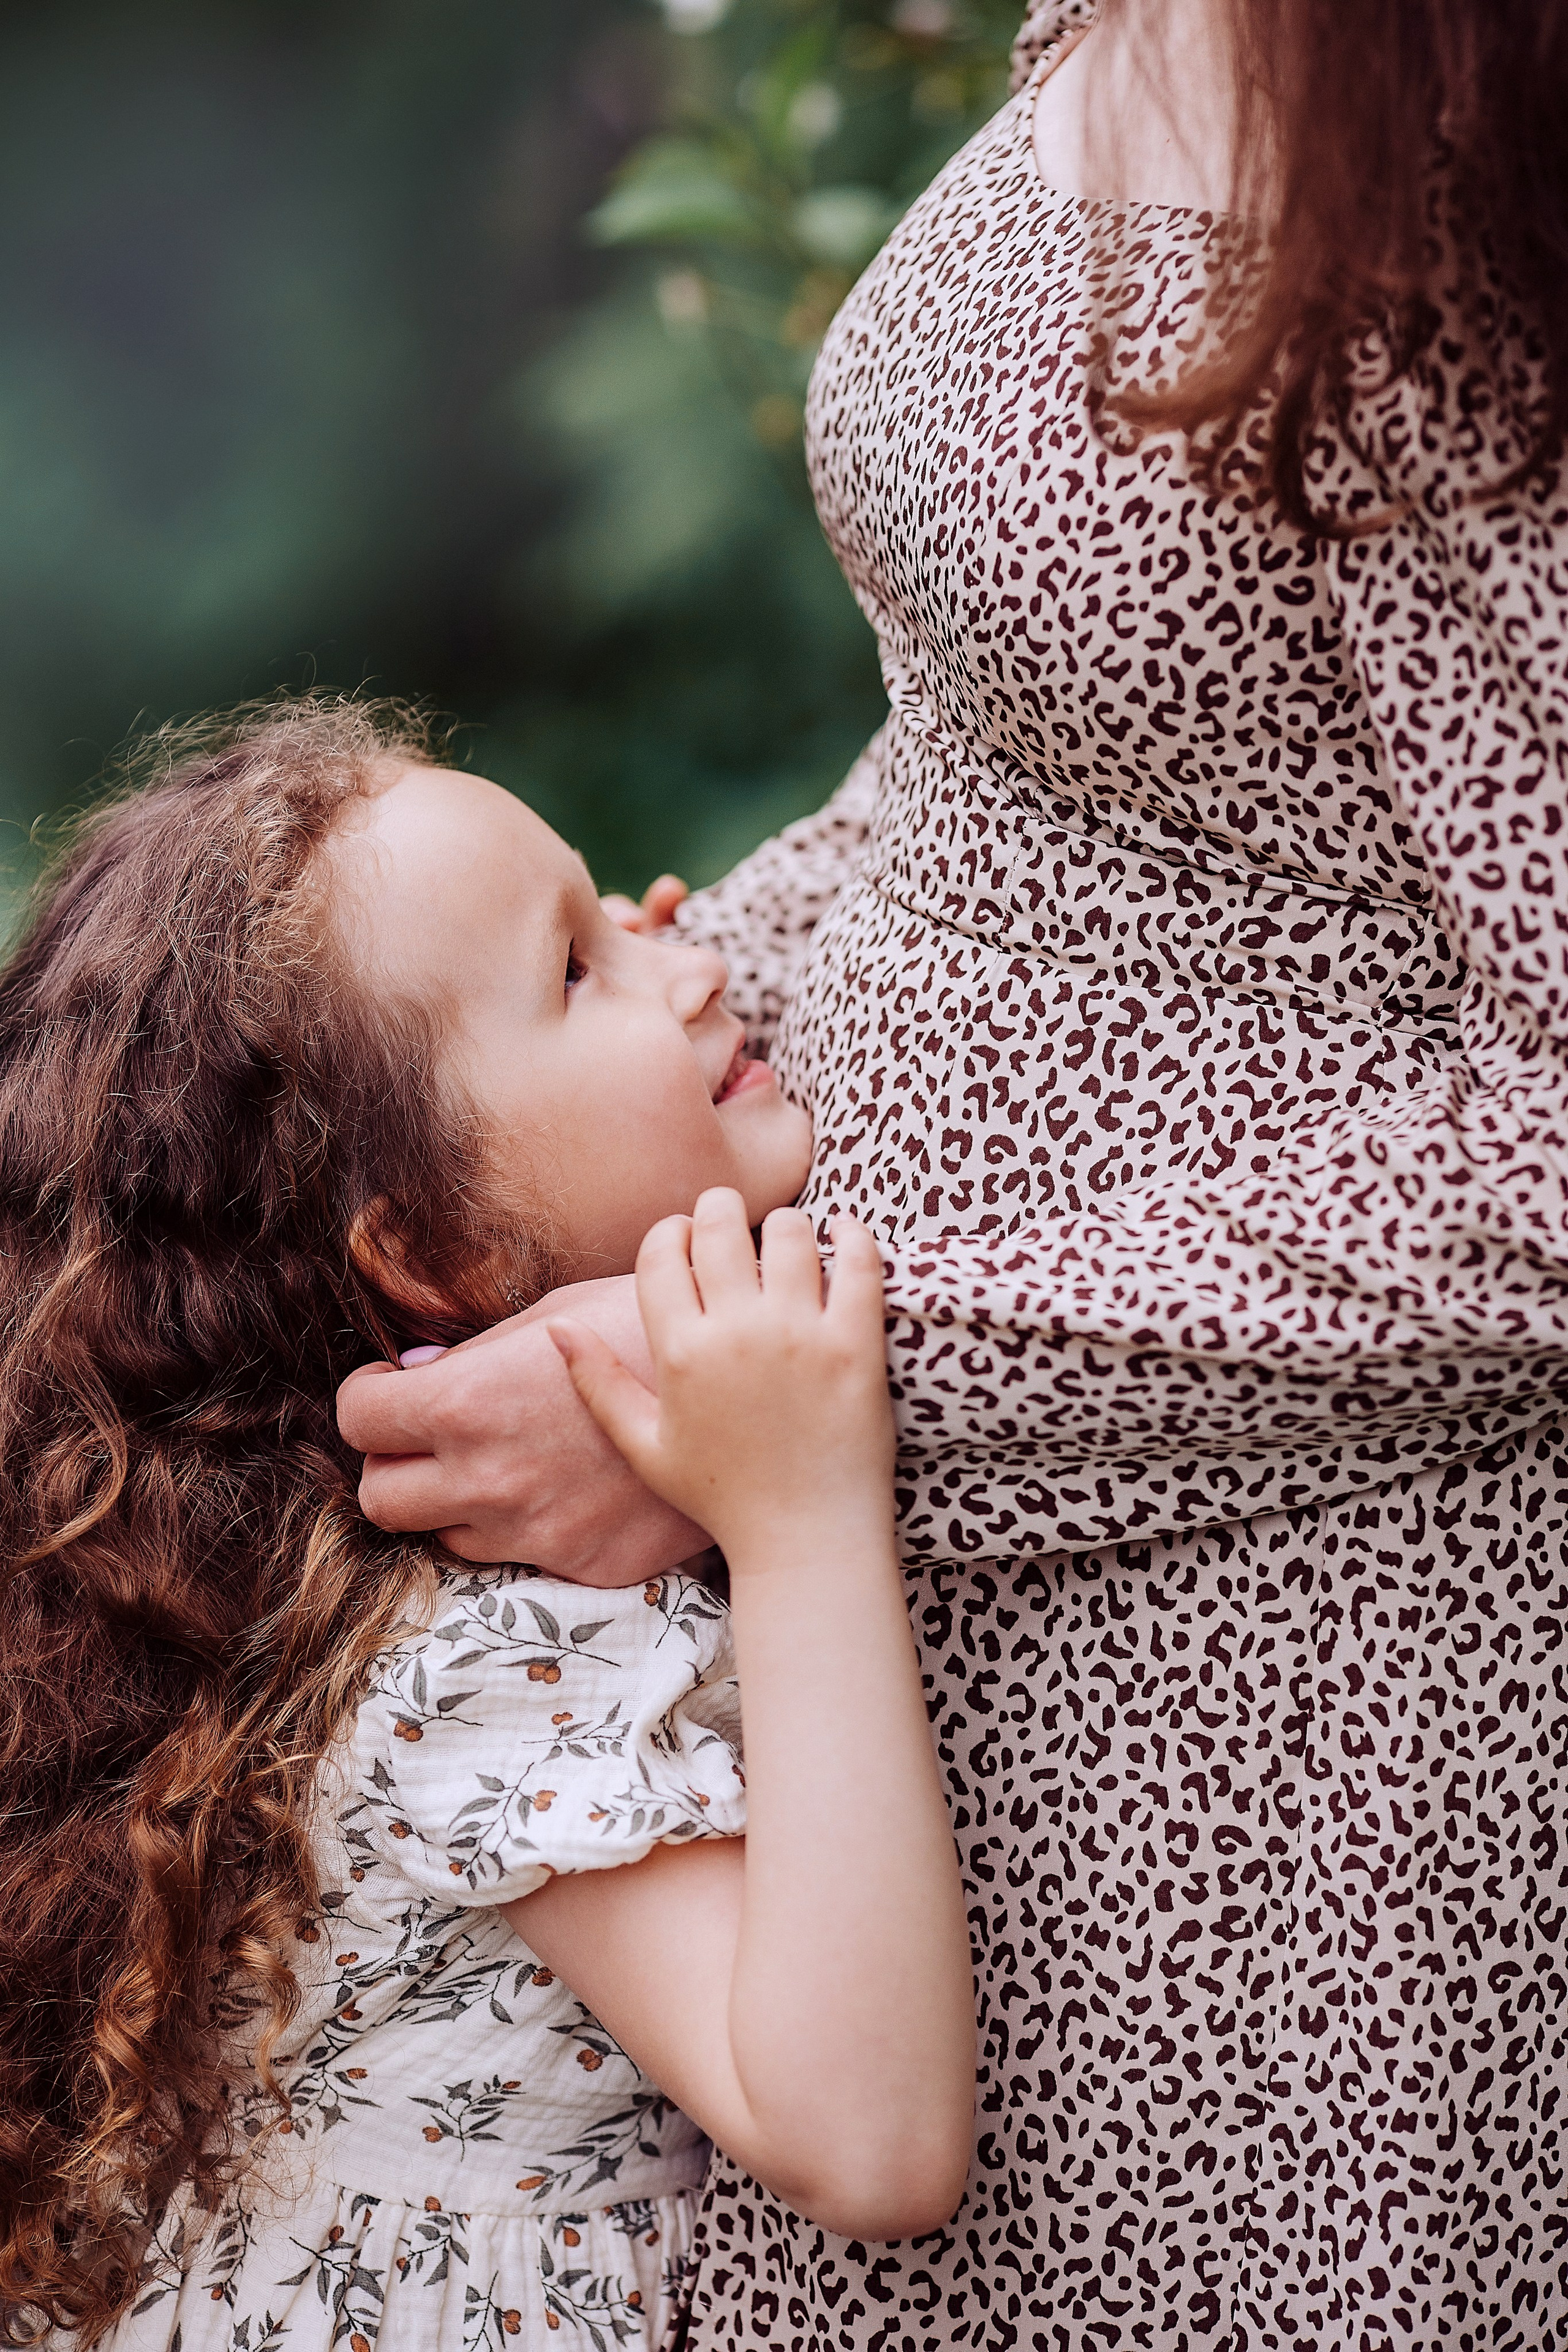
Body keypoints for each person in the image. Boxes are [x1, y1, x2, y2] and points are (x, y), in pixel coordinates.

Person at [338, 2, 1568, 2346]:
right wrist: (574, 1114)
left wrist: (796, 1406)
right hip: (877, 1593)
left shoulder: (1459, 140)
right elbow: (990, 771)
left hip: (1259, 1686)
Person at [0, 702, 975, 2352]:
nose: (691, 932)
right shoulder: (477, 1650)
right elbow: (867, 2139)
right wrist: (809, 1512)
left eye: (609, 902)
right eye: (581, 965)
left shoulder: (346, 1592)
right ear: (435, 1245)